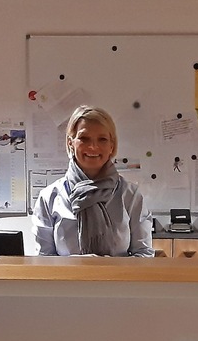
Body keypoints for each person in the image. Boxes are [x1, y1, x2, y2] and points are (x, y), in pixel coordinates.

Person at [32, 105, 154, 257]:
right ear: (71, 143)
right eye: (84, 138)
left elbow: (143, 254)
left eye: (102, 139)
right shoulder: (49, 197)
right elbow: (44, 260)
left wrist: (106, 272)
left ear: (112, 145)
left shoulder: (130, 195)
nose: (93, 147)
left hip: (117, 280)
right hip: (67, 281)